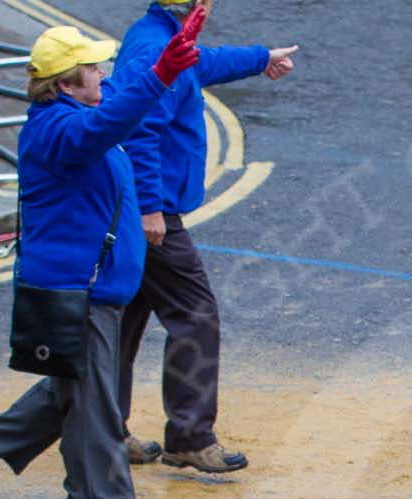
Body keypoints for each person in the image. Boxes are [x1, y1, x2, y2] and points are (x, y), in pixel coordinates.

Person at [0, 17, 203, 499]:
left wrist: (214, 56)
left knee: (75, 389)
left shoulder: (78, 106)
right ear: (67, 82)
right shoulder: (62, 129)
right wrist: (161, 72)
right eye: (92, 67)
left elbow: (122, 94)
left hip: (94, 284)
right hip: (79, 288)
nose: (102, 72)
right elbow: (112, 120)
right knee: (94, 402)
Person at [113, 0, 297, 474]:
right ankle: (190, 436)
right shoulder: (156, 45)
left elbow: (201, 64)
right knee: (194, 315)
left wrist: (260, 58)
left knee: (125, 317)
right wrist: (151, 208)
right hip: (153, 214)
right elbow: (141, 132)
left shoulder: (160, 36)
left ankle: (106, 428)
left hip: (144, 208)